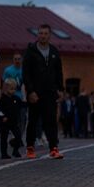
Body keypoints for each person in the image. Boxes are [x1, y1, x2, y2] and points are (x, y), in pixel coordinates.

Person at [22, 24, 65, 159]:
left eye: (45, 33)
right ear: (37, 35)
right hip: (35, 92)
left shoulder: (54, 51)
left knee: (51, 121)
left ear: (49, 35)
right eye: (40, 33)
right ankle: (30, 147)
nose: (43, 36)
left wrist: (60, 89)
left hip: (50, 92)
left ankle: (54, 148)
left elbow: (59, 72)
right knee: (33, 121)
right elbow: (26, 73)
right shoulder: (30, 51)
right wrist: (30, 91)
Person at [0, 78, 23, 158]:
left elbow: (22, 105)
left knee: (18, 137)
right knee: (3, 138)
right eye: (11, 89)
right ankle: (4, 153)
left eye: (15, 89)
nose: (13, 90)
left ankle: (15, 150)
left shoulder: (16, 99)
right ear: (6, 88)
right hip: (5, 122)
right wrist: (2, 116)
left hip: (14, 122)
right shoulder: (2, 99)